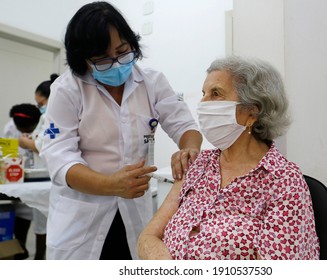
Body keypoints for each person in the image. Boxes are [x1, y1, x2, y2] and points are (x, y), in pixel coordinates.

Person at [40, 1, 202, 260]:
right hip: (81, 221)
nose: (116, 64)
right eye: (102, 60)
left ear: (132, 43)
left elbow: (185, 126)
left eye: (123, 51)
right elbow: (60, 160)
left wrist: (190, 148)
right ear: (83, 59)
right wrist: (110, 185)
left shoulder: (152, 82)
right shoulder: (67, 89)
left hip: (133, 213)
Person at [138, 56, 320, 260]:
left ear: (252, 112)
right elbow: (148, 237)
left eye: (215, 94)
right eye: (203, 94)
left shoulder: (283, 181)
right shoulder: (197, 166)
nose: (202, 104)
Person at [16, 74, 59, 260]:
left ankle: (40, 260)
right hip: (47, 174)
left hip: (51, 178)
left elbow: (44, 145)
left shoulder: (51, 115)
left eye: (40, 103)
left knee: (45, 225)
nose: (39, 108)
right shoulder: (49, 116)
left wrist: (25, 143)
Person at [6, 103, 42, 259]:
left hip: (40, 178)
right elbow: (7, 154)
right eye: (22, 130)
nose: (25, 133)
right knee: (21, 211)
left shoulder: (43, 125)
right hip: (19, 177)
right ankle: (20, 248)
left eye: (29, 129)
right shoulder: (10, 128)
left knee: (41, 219)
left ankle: (40, 256)